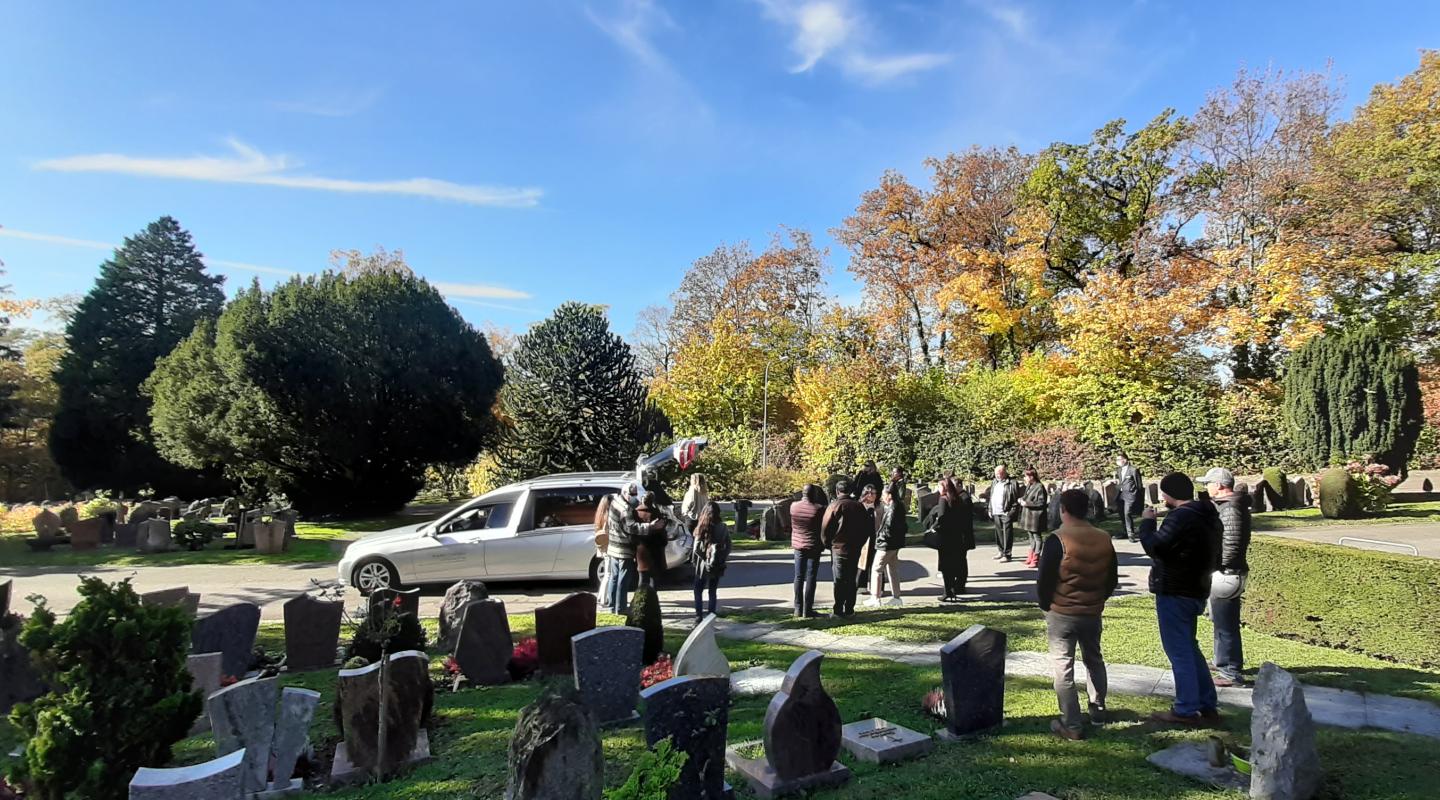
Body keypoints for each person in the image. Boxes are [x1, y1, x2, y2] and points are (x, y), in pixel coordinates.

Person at [1139, 472, 1223, 725]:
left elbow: (1156, 547)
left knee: (1179, 651)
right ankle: (1206, 703)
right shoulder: (1208, 515)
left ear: (1169, 494)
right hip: (1197, 587)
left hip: (1175, 589)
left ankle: (1186, 708)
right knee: (1189, 648)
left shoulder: (1180, 517)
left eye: (1164, 494)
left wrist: (1147, 523)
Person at [1037, 489, 1119, 740]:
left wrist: (1046, 605)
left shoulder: (1058, 539)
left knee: (1063, 667)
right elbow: (1112, 578)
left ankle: (1071, 723)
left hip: (1062, 612)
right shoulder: (1103, 537)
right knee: (1094, 659)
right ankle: (1098, 709)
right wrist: (1098, 599)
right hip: (1092, 610)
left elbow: (1045, 579)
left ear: (1063, 510)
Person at [1198, 467, 1251, 687]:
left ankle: (1230, 671)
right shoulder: (1229, 506)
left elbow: (1231, 543)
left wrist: (1217, 566)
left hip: (1226, 573)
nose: (1206, 487)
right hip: (1227, 572)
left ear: (1219, 485)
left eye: (1208, 483)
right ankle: (1222, 661)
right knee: (1221, 621)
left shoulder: (1230, 509)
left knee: (1225, 624)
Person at [822, 480, 871, 618]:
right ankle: (849, 608)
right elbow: (867, 528)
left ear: (837, 491)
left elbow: (825, 528)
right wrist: (860, 543)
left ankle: (838, 609)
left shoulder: (834, 506)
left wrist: (827, 543)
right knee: (851, 579)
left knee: (839, 580)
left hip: (838, 547)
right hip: (854, 548)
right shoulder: (859, 506)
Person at [925, 477, 974, 601]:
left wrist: (933, 528)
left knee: (946, 566)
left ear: (945, 487)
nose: (937, 489)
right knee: (954, 564)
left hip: (946, 537)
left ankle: (947, 592)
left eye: (939, 486)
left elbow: (942, 517)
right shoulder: (957, 499)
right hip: (956, 536)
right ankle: (953, 589)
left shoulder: (944, 499)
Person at [867, 473, 909, 607]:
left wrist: (880, 538)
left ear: (889, 495)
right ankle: (896, 597)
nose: (882, 497)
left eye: (884, 495)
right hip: (895, 543)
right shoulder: (898, 506)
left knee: (876, 569)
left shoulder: (892, 508)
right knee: (893, 569)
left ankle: (875, 597)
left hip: (886, 544)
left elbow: (888, 528)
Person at [790, 483, 827, 618]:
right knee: (811, 577)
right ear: (814, 494)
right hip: (813, 546)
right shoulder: (818, 509)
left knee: (798, 576)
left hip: (798, 545)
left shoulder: (793, 506)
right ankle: (808, 609)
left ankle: (797, 608)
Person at [604, 482, 642, 613]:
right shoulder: (625, 509)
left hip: (613, 547)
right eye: (632, 494)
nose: (634, 496)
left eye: (635, 494)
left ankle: (611, 606)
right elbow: (632, 528)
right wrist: (650, 527)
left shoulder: (615, 502)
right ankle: (620, 609)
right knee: (623, 580)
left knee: (614, 578)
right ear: (625, 493)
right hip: (623, 549)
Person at [690, 500, 731, 621]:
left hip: (703, 565)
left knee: (698, 589)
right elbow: (729, 546)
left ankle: (698, 615)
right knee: (713, 590)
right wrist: (721, 557)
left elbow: (696, 548)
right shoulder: (723, 527)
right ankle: (711, 613)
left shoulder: (702, 527)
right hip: (717, 563)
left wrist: (704, 558)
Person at [633, 494, 670, 591]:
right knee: (653, 578)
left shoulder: (635, 513)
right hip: (655, 550)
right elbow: (661, 533)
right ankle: (652, 598)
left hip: (641, 549)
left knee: (642, 578)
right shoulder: (656, 513)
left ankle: (640, 597)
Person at [988, 465, 1022, 562]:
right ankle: (1000, 551)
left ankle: (1007, 554)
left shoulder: (1012, 483)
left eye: (999, 474)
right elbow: (992, 496)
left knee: (1007, 533)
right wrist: (990, 509)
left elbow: (1015, 499)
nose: (997, 476)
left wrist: (1011, 512)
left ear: (1004, 473)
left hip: (1006, 512)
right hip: (996, 511)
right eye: (996, 474)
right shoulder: (994, 482)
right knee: (998, 532)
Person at [1018, 468, 1049, 568]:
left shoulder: (1039, 487)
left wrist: (1027, 503)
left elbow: (1041, 502)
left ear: (1031, 477)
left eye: (1026, 476)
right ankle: (1030, 556)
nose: (1024, 478)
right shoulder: (1029, 485)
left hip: (1036, 517)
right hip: (1028, 516)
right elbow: (1026, 497)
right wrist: (1021, 499)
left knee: (1037, 537)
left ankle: (1036, 558)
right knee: (1030, 536)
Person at [857, 485, 882, 593]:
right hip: (862, 538)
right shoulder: (859, 506)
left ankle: (877, 588)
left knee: (876, 563)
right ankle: (861, 586)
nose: (871, 495)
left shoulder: (879, 507)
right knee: (862, 562)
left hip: (876, 537)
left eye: (873, 493)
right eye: (869, 493)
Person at [1116, 454, 1144, 542]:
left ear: (1124, 460)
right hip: (1121, 494)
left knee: (1127, 513)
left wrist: (1135, 494)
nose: (1117, 462)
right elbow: (1121, 481)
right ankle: (1125, 531)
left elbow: (1139, 484)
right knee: (1121, 513)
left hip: (1130, 495)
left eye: (1118, 459)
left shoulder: (1133, 470)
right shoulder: (1119, 470)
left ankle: (1131, 534)